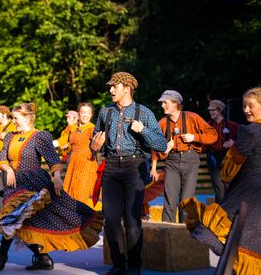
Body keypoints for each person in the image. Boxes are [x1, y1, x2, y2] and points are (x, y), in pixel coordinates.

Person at [0, 103, 103, 272]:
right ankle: (42, 257)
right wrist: (7, 170)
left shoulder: (39, 136)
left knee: (12, 219)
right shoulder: (9, 137)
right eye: (13, 118)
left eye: (16, 118)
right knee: (18, 222)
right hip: (14, 183)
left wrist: (57, 176)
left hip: (33, 183)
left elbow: (52, 159)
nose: (13, 122)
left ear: (28, 118)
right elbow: (1, 158)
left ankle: (1, 258)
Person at [90, 72, 167, 275]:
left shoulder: (145, 113)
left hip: (135, 167)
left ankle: (134, 267)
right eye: (111, 86)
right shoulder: (104, 113)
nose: (110, 90)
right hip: (112, 167)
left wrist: (143, 130)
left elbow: (160, 144)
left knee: (133, 220)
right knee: (111, 219)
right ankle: (118, 265)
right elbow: (94, 143)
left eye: (114, 86)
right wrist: (94, 145)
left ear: (127, 88)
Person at [180, 87, 261, 274]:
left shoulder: (250, 131)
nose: (246, 110)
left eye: (251, 106)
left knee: (210, 228)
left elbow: (228, 172)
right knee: (251, 246)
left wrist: (233, 150)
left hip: (246, 195)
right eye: (244, 106)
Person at [150, 90, 217, 223]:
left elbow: (213, 135)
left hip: (190, 160)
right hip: (171, 162)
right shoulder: (163, 123)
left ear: (176, 104)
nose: (162, 105)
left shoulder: (192, 117)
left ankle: (184, 236)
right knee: (170, 200)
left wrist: (195, 137)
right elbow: (154, 144)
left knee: (186, 201)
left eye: (165, 102)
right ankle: (166, 234)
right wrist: (154, 167)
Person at [62, 103, 98, 208]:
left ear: (91, 115)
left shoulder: (92, 129)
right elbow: (64, 143)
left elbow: (100, 143)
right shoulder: (73, 128)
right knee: (69, 193)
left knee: (81, 194)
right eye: (83, 112)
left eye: (88, 113)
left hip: (86, 164)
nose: (85, 115)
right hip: (73, 163)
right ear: (79, 114)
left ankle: (84, 221)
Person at [205, 99, 239, 203]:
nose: (211, 112)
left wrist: (233, 143)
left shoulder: (233, 125)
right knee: (219, 191)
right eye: (209, 110)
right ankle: (220, 215)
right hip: (214, 159)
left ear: (219, 110)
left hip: (229, 159)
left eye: (213, 110)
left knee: (230, 188)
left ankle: (231, 215)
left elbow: (243, 141)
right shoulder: (207, 126)